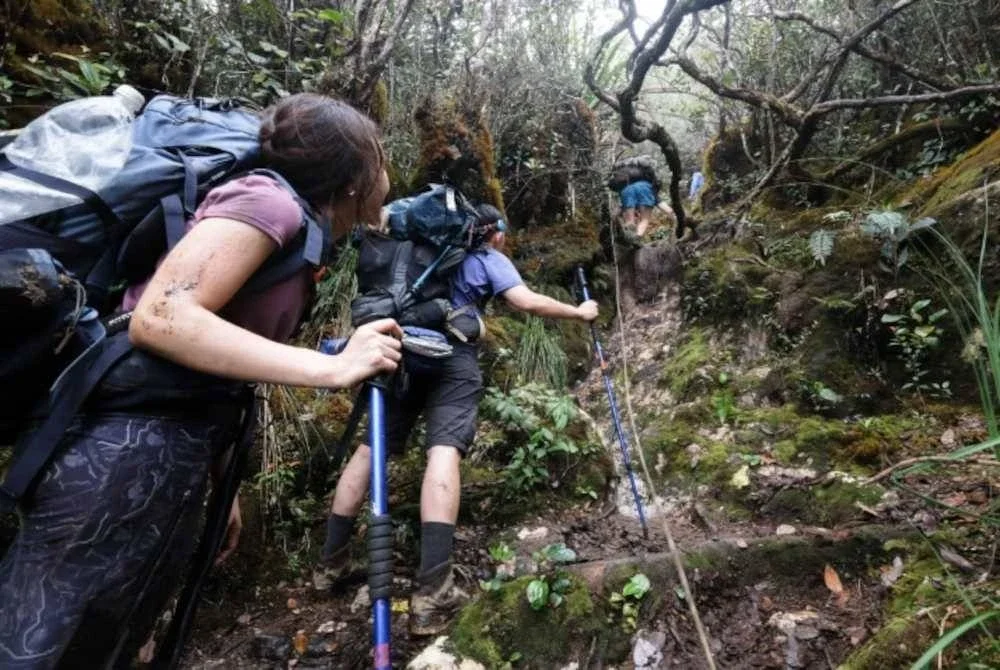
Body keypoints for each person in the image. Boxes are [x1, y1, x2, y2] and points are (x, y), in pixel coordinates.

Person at [0, 93, 403, 669]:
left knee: (101, 634)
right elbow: (162, 317)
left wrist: (223, 479)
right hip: (119, 449)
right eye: (381, 158)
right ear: (353, 174)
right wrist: (333, 368)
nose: (388, 173)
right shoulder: (269, 200)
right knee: (45, 636)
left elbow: (216, 361)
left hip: (161, 448)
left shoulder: (301, 225)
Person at [315, 203, 599, 636]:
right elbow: (526, 302)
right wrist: (579, 312)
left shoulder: (409, 250)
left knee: (370, 450)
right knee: (443, 453)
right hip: (452, 359)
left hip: (395, 351)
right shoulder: (486, 258)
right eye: (501, 231)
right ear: (492, 232)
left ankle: (330, 566)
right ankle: (433, 591)